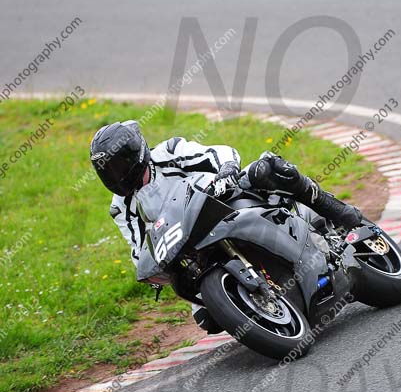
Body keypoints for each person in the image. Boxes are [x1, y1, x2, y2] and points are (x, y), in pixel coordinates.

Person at [89, 120, 363, 332]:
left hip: (226, 199)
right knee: (207, 317)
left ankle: (335, 210)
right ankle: (266, 305)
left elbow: (218, 153)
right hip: (194, 248)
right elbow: (139, 250)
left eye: (118, 165)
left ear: (135, 153)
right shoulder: (120, 208)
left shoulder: (168, 152)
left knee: (267, 168)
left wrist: (226, 171)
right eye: (107, 171)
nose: (116, 175)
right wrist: (153, 272)